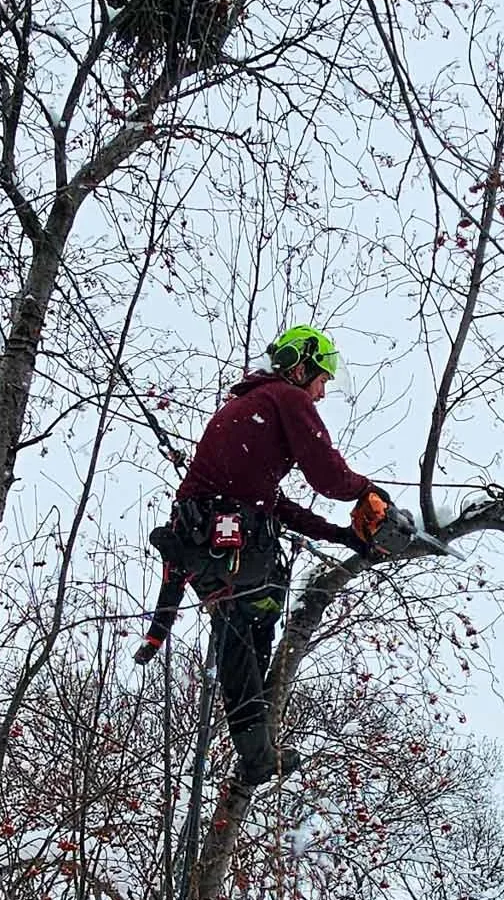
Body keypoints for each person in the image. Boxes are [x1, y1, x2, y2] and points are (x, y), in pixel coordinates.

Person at [137, 324, 389, 787]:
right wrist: (367, 490)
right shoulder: (284, 398)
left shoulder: (248, 406)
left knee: (243, 639)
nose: (322, 393)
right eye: (321, 380)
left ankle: (255, 751)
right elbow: (328, 475)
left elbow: (273, 502)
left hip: (201, 541)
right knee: (256, 618)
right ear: (300, 367)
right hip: (225, 539)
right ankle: (256, 752)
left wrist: (340, 535)